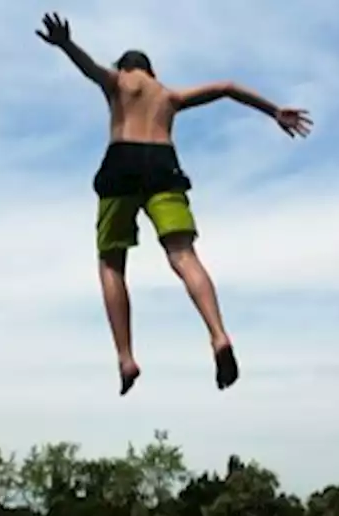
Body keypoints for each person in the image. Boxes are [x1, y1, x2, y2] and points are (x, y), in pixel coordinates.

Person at [36, 13, 311, 395]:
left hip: (122, 163)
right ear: (151, 71)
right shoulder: (169, 96)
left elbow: (89, 69)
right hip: (163, 164)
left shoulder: (119, 83)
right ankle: (218, 336)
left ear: (125, 67)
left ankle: (126, 357)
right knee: (183, 254)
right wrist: (274, 111)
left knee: (111, 262)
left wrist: (66, 44)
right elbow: (228, 87)